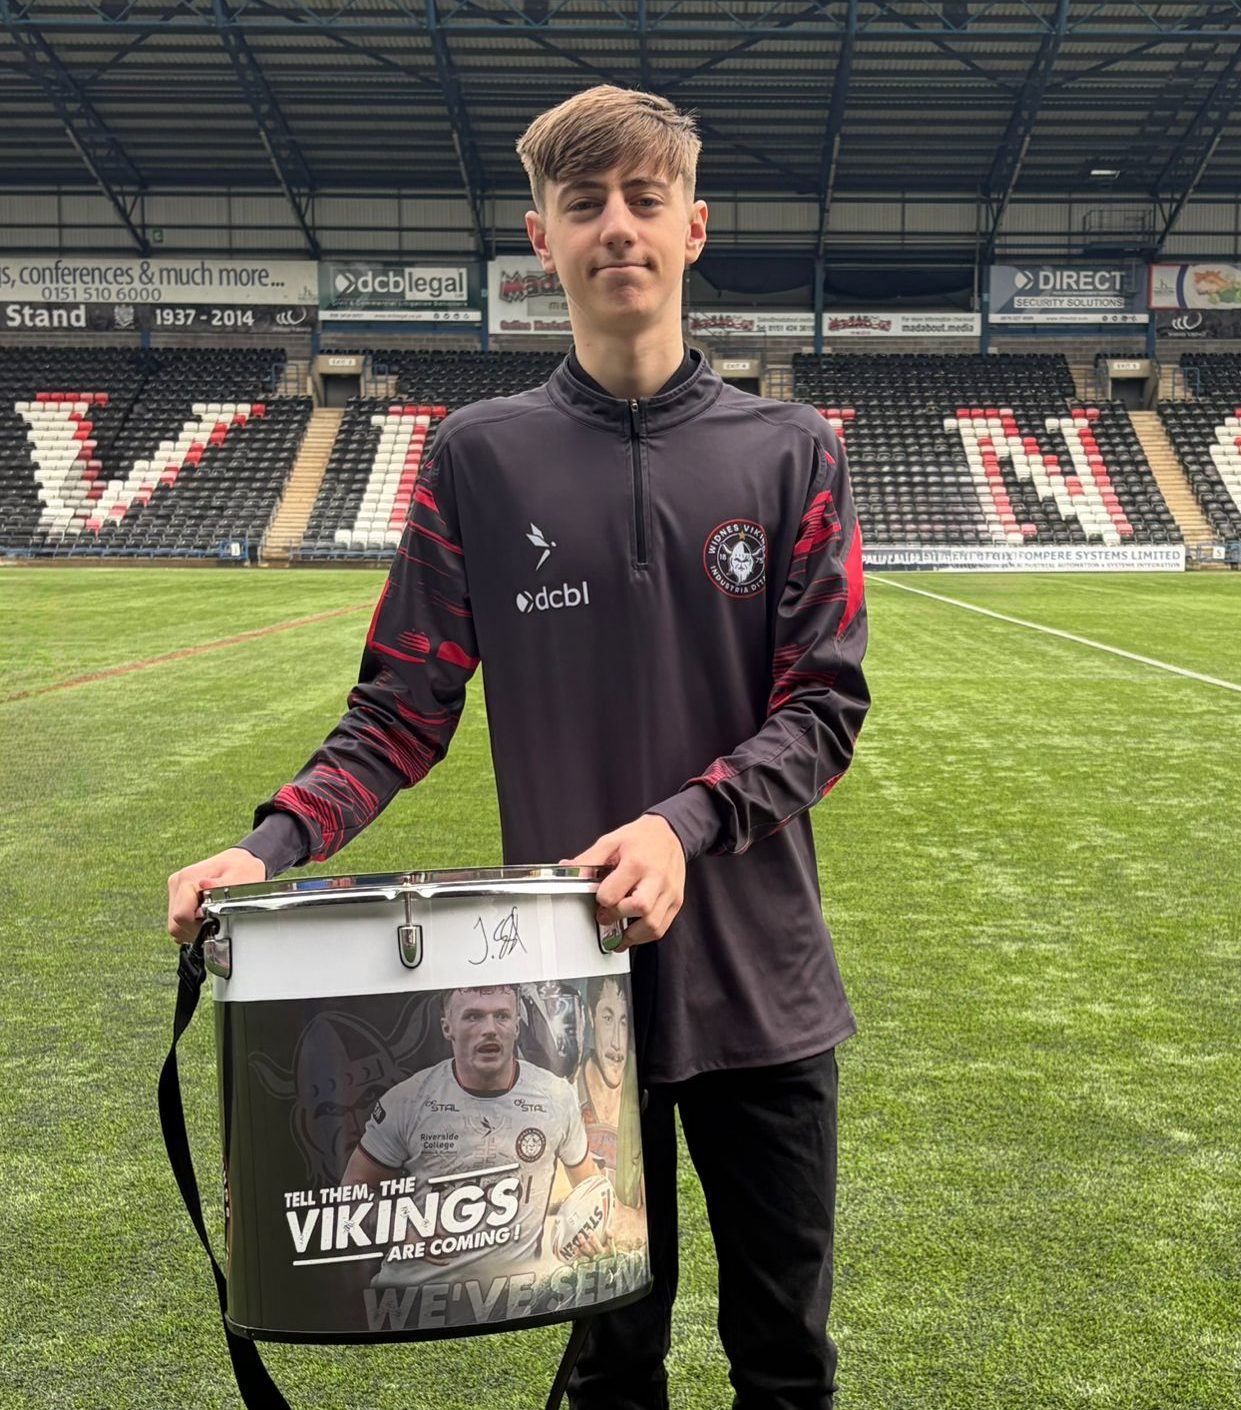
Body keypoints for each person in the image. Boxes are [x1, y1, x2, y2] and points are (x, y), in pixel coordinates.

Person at [167, 82, 869, 1410]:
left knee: (787, 1365)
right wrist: (269, 846)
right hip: (565, 1011)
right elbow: (401, 707)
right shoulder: (477, 459)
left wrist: (682, 824)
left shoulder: (794, 451)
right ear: (540, 240)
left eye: (646, 199)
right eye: (584, 203)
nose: (618, 226)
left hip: (765, 993)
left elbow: (824, 707)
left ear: (693, 227)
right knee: (610, 1370)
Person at [341, 983, 635, 1298]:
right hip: (413, 1298)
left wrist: (592, 1231)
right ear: (447, 1027)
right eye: (473, 1017)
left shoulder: (556, 1095)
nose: (490, 1029)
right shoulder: (407, 1100)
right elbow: (351, 1192)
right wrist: (399, 1229)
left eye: (502, 1016)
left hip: (515, 1297)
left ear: (517, 1026)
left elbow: (590, 1187)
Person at [578, 973, 644, 1216]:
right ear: (590, 1016)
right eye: (607, 1018)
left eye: (624, 1021)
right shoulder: (567, 1093)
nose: (617, 1042)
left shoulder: (640, 1089)